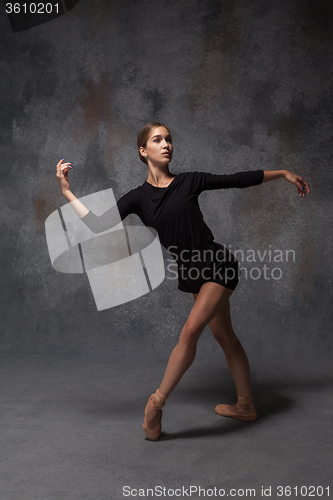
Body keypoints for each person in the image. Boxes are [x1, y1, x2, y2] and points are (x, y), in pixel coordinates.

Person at [56, 121, 310, 440]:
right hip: (191, 273)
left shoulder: (190, 181)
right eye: (158, 139)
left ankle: (156, 403)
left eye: (169, 140)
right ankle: (246, 405)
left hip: (217, 263)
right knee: (225, 336)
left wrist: (283, 173)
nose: (166, 144)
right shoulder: (136, 198)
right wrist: (67, 192)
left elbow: (238, 180)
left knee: (189, 332)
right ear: (143, 151)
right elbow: (98, 225)